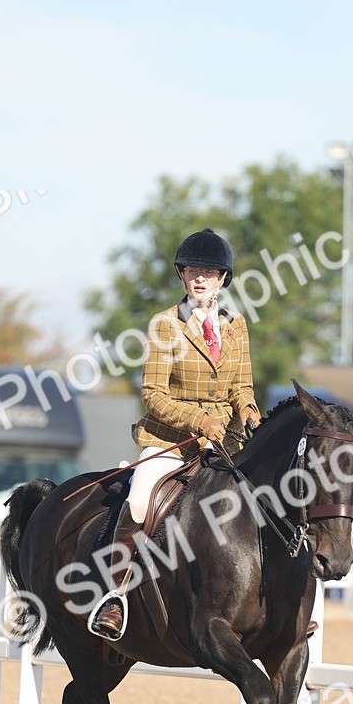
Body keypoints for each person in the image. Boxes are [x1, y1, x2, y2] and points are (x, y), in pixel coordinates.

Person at [89, 227, 260, 640]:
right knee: (138, 500)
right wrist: (199, 422)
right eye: (192, 271)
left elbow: (241, 387)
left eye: (210, 272)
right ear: (183, 276)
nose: (200, 278)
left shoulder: (236, 326)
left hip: (226, 441)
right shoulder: (165, 325)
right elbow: (153, 394)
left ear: (222, 279)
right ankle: (115, 597)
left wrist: (250, 413)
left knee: (269, 497)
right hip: (169, 440)